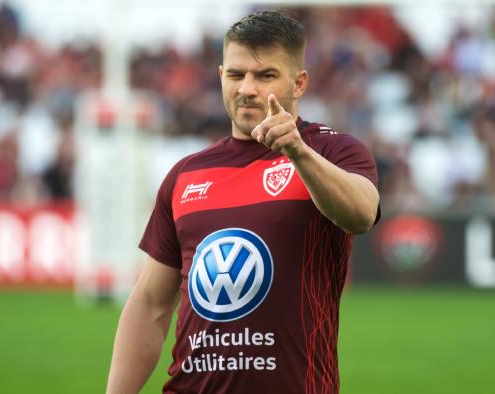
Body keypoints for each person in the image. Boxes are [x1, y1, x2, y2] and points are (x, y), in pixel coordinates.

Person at [106, 10, 380, 394]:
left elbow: (361, 214)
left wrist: (297, 152)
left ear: (299, 83)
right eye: (236, 75)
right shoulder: (186, 174)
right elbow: (150, 305)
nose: (247, 88)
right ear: (221, 77)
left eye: (265, 75)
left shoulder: (332, 150)